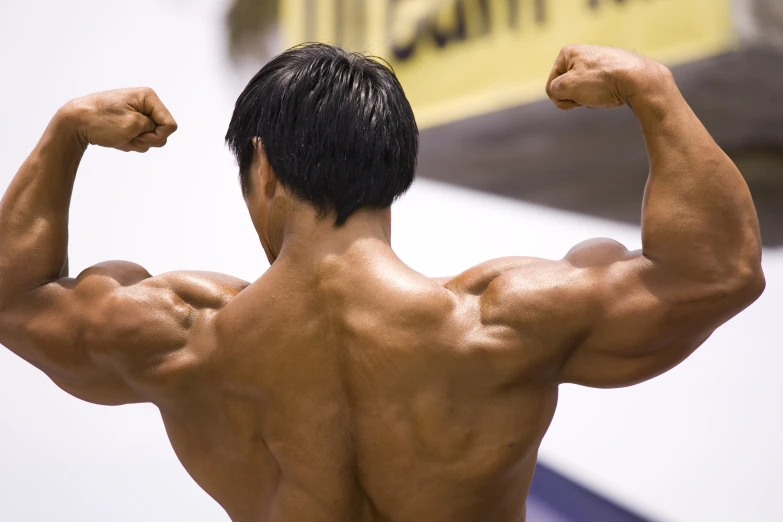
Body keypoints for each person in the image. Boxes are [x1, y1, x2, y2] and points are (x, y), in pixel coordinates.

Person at [0, 43, 765, 522]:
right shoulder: (502, 323)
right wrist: (652, 91)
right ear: (395, 165)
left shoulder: (180, 337)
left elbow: (13, 298)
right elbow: (716, 273)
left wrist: (66, 131)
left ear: (260, 167)